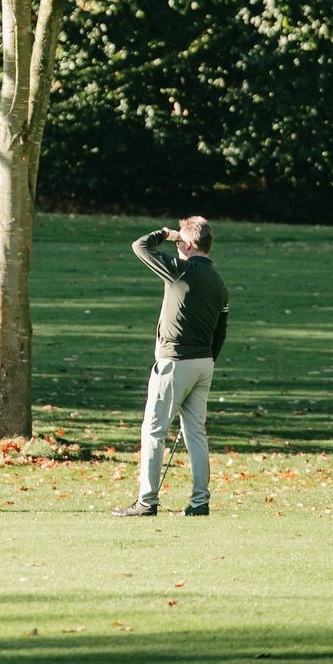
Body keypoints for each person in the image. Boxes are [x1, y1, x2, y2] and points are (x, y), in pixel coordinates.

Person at [113, 215, 228, 518]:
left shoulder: (181, 271)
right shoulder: (218, 282)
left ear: (188, 244)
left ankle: (146, 501)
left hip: (175, 363)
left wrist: (164, 234)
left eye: (181, 243)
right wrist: (208, 360)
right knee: (195, 434)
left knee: (154, 430)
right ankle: (200, 502)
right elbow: (221, 331)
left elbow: (139, 246)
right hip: (204, 364)